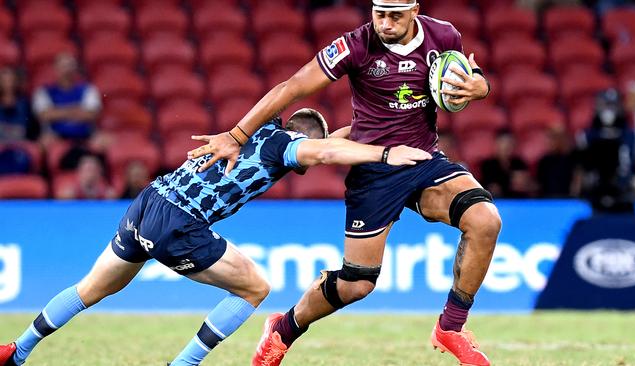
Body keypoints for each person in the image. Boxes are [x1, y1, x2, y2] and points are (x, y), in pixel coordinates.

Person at [185, 1, 500, 365]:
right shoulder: (356, 46)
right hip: (373, 169)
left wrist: (481, 87)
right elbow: (292, 87)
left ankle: (451, 327)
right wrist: (237, 135)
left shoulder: (444, 35)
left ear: (415, 9)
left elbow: (465, 75)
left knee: (485, 220)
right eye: (378, 13)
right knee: (357, 285)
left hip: (422, 159)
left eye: (395, 15)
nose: (384, 23)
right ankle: (282, 329)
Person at [0, 108, 430, 366]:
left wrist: (373, 120)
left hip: (149, 201)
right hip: (180, 223)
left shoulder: (255, 131)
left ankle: (17, 351)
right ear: (303, 137)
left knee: (89, 289)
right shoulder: (286, 145)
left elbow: (328, 143)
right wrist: (386, 152)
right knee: (256, 288)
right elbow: (325, 151)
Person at [32, 52, 101, 143]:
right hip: (55, 136)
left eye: (70, 66)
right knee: (44, 142)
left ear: (75, 68)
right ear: (56, 69)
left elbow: (91, 114)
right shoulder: (44, 91)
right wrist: (76, 110)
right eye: (63, 66)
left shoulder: (88, 89)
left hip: (85, 136)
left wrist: (57, 112)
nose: (67, 70)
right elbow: (44, 115)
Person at [479, 129, 532, 198]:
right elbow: (491, 188)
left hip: (518, 201)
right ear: (496, 144)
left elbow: (523, 186)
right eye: (503, 142)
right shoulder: (487, 165)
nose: (506, 146)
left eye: (510, 143)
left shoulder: (519, 163)